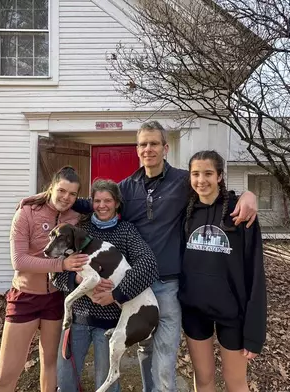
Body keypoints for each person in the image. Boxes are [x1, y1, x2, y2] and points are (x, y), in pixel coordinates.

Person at [22, 121, 259, 392]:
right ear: (137, 149)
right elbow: (91, 202)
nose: (149, 149)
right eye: (143, 144)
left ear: (165, 147)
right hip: (134, 283)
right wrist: (44, 196)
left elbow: (211, 192)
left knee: (164, 361)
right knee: (145, 353)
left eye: (154, 143)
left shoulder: (184, 181)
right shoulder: (126, 187)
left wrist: (247, 194)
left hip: (167, 284)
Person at [52, 179, 159, 392]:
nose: (102, 205)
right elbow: (54, 275)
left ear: (117, 203)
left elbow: (149, 265)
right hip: (78, 320)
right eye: (97, 200)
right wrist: (75, 280)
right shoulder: (77, 230)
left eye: (107, 200)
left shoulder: (127, 232)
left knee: (107, 385)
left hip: (110, 322)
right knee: (65, 382)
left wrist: (116, 294)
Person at [0, 166, 90, 392]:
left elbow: (106, 203)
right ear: (51, 187)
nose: (66, 198)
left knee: (50, 365)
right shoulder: (26, 213)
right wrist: (61, 265)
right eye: (61, 191)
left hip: (55, 299)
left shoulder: (75, 218)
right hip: (25, 297)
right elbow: (19, 261)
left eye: (72, 194)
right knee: (8, 373)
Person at [179, 150, 266, 392]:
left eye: (208, 173)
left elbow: (256, 273)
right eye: (195, 174)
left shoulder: (240, 214)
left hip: (232, 312)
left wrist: (255, 332)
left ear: (219, 176)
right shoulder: (185, 213)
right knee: (204, 378)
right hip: (195, 310)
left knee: (235, 381)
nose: (201, 180)